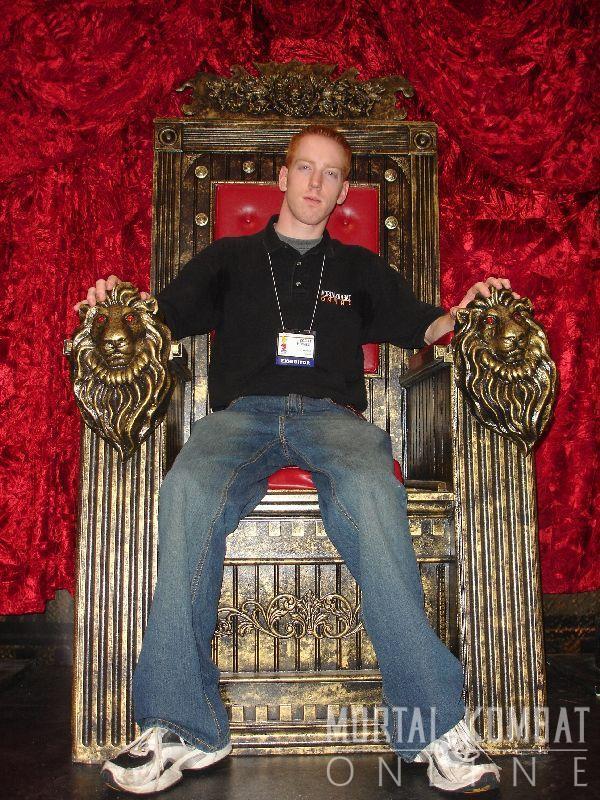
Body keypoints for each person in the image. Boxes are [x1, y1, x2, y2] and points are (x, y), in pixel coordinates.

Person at [76, 125, 519, 795]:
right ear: (282, 179)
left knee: (374, 491)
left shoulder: (360, 269)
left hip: (332, 419)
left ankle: (432, 723)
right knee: (186, 489)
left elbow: (423, 323)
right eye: (305, 168)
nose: (316, 182)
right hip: (240, 418)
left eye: (331, 173)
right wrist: (116, 303)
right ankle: (183, 725)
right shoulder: (228, 258)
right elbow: (159, 316)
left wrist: (474, 311)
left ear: (342, 192)